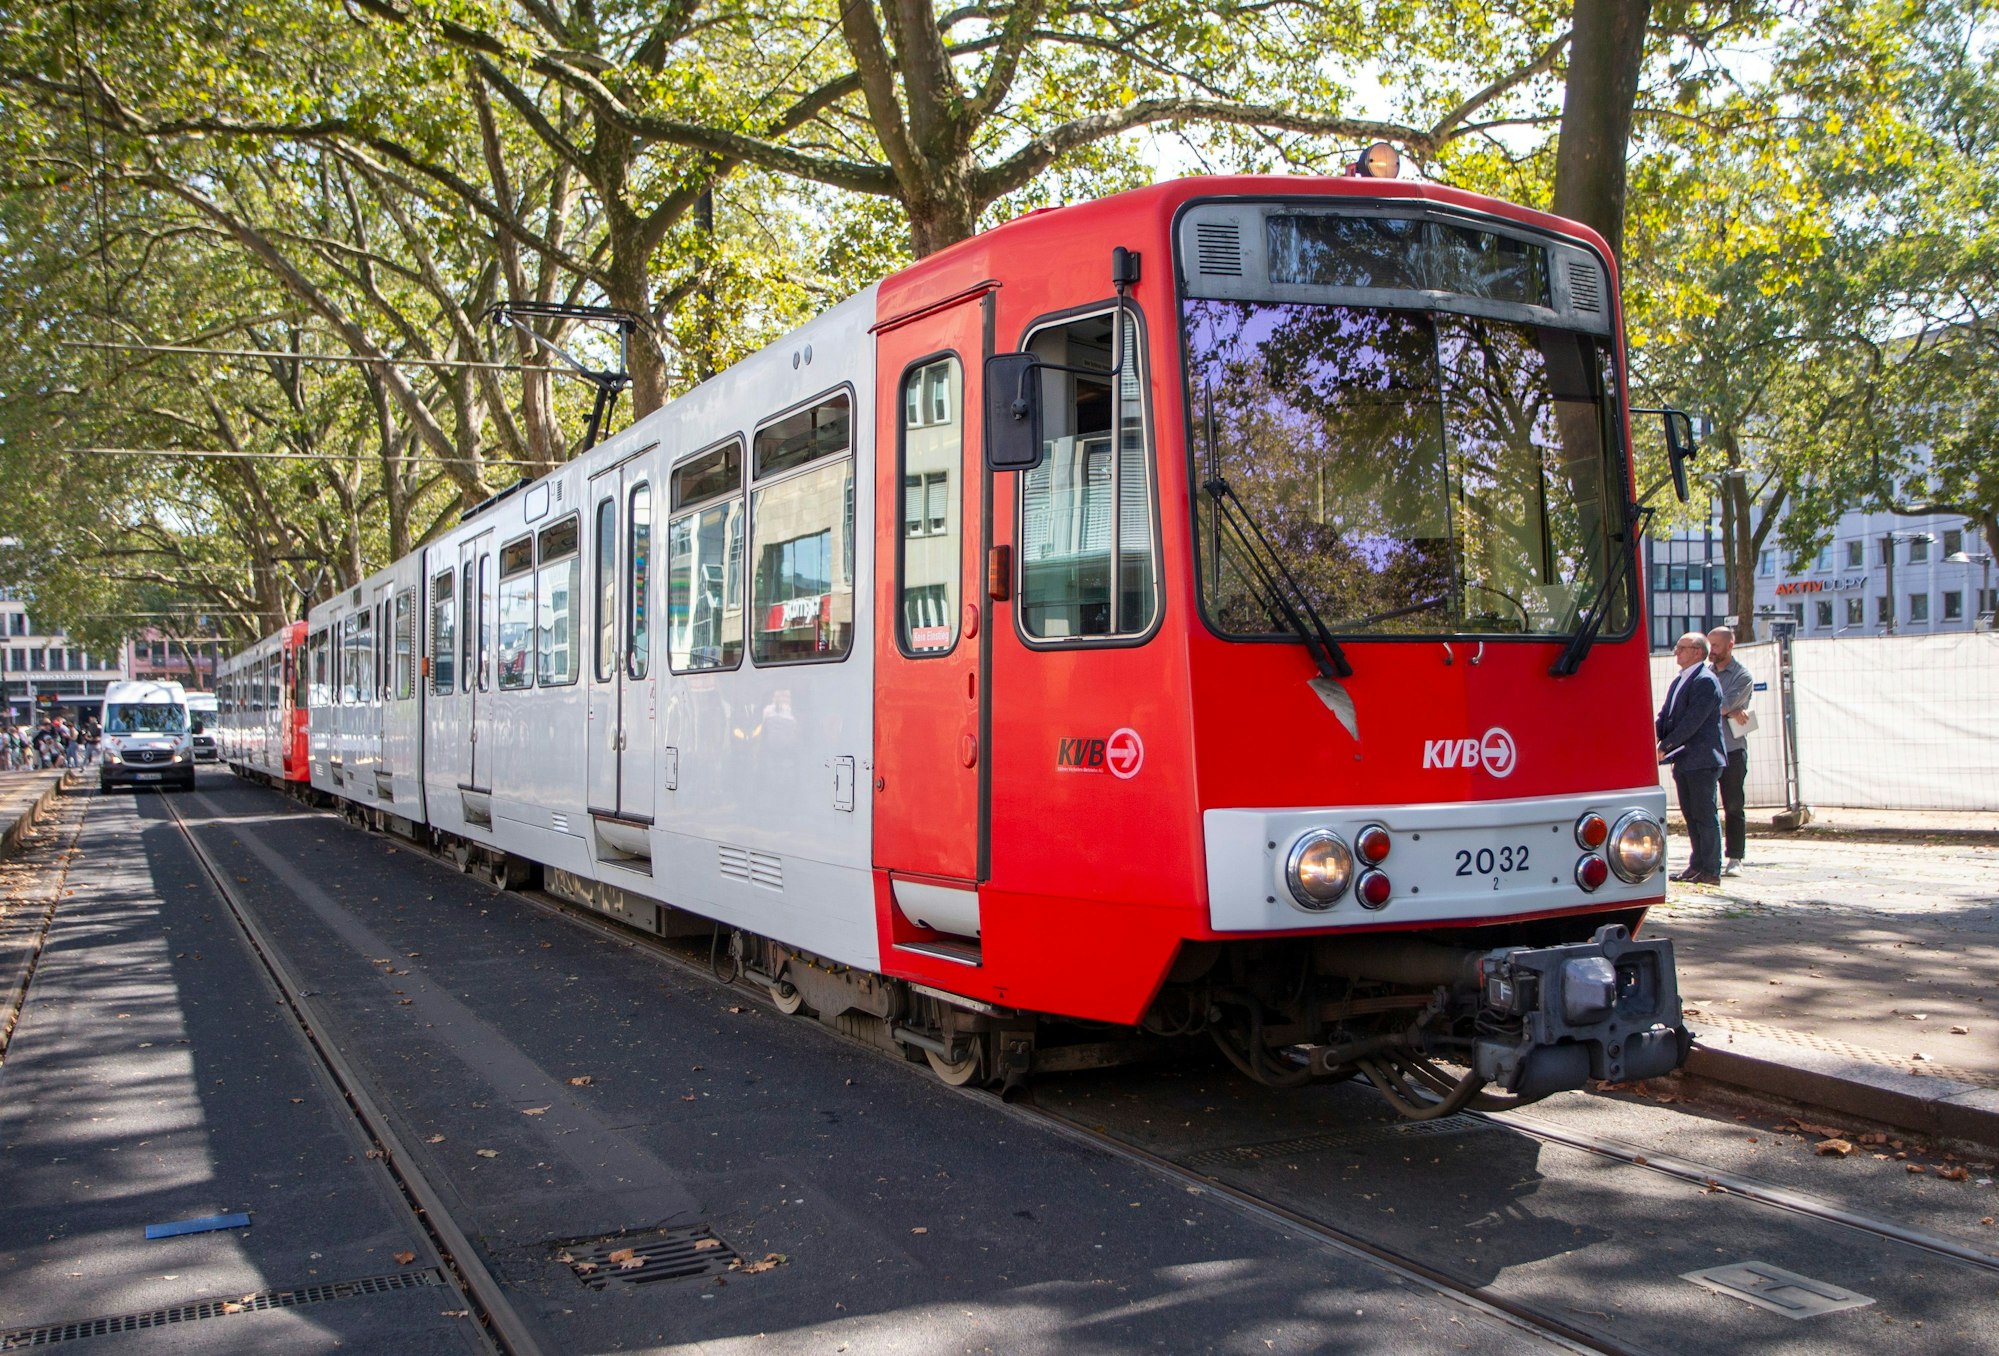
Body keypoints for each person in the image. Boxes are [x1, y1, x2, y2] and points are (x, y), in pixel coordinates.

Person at [1656, 631, 1727, 885]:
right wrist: (1649, 737)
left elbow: (1692, 722)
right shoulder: (1680, 681)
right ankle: (1696, 865)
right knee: (1690, 814)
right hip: (1684, 760)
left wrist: (1665, 745)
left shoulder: (1705, 681)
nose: (1677, 651)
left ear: (1697, 652)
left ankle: (1710, 869)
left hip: (1702, 760)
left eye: (1681, 647)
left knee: (1704, 815)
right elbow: (1667, 717)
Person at [1707, 625, 1753, 876]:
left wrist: (1726, 708)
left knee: (1734, 805)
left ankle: (1735, 857)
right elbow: (1713, 706)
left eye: (1715, 645)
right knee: (1707, 805)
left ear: (1730, 645)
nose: (1710, 650)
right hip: (1709, 749)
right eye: (1709, 645)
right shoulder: (1706, 672)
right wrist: (1726, 708)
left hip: (1733, 749)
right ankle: (1708, 857)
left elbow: (1720, 705)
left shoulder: (1742, 675)